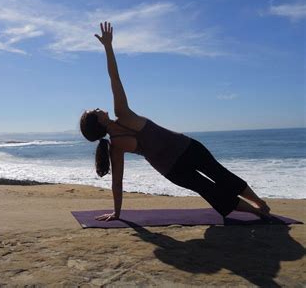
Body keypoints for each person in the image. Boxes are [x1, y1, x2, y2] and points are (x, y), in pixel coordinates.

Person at [80, 22, 271, 222]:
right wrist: (108, 47)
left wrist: (117, 213)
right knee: (219, 174)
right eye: (95, 110)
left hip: (172, 169)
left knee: (209, 190)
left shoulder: (115, 146)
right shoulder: (123, 113)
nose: (98, 107)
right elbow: (115, 78)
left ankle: (255, 210)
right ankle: (259, 204)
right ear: (99, 120)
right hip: (186, 148)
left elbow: (117, 183)